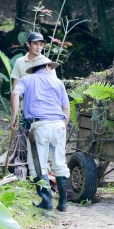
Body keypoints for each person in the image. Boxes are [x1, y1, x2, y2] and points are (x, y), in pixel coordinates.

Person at [10, 56, 71, 212]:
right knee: (59, 163)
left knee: (38, 166)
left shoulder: (26, 80)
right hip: (58, 124)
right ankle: (63, 203)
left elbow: (15, 94)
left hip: (39, 125)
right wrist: (63, 126)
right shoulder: (58, 82)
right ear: (47, 67)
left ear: (34, 68)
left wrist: (14, 117)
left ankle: (46, 202)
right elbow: (66, 109)